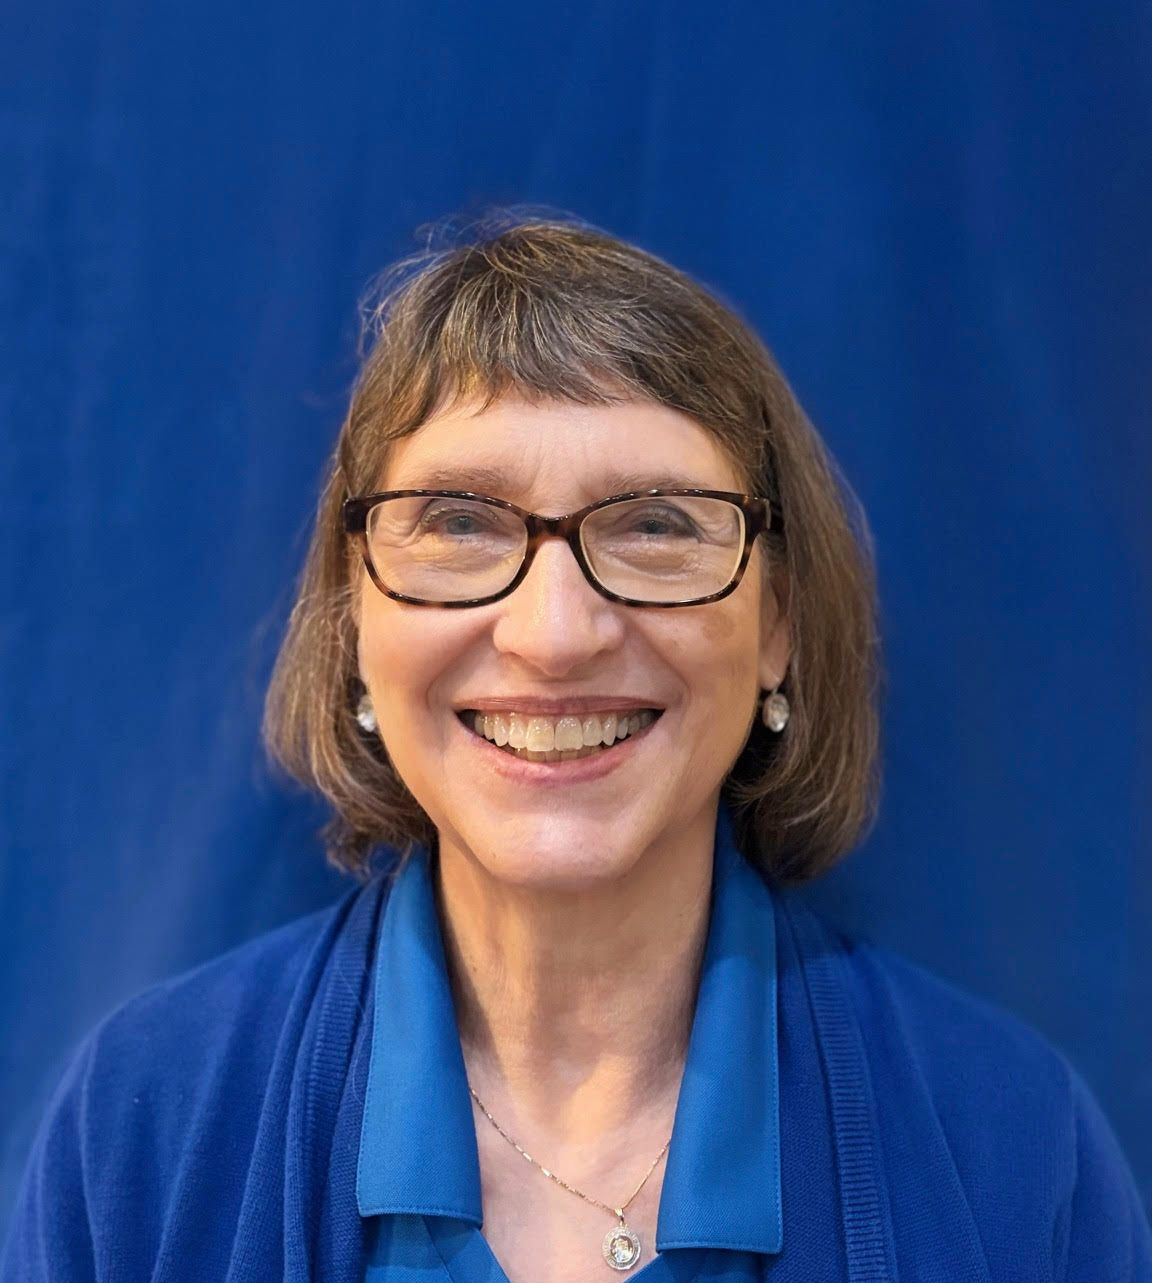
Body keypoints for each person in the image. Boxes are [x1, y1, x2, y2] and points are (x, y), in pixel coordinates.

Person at [3, 217, 1149, 1283]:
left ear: (780, 625)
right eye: (459, 521)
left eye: (655, 523)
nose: (554, 635)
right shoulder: (141, 1131)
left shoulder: (1013, 1150)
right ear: (356, 618)